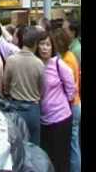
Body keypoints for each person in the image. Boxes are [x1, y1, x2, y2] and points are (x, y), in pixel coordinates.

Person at [36, 31, 75, 172]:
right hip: (43, 119)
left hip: (61, 118)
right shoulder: (36, 64)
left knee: (61, 158)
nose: (44, 48)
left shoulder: (58, 64)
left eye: (48, 44)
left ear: (52, 47)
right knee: (47, 157)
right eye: (41, 44)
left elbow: (71, 88)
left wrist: (65, 101)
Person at [3, 27, 45, 145]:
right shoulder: (39, 64)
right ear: (36, 44)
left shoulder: (11, 60)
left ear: (23, 41)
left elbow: (5, 85)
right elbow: (42, 90)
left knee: (18, 146)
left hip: (16, 109)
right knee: (35, 147)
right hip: (33, 110)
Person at [50, 28, 81, 172]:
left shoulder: (67, 59)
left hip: (72, 105)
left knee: (72, 145)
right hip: (74, 103)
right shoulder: (68, 56)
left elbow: (69, 86)